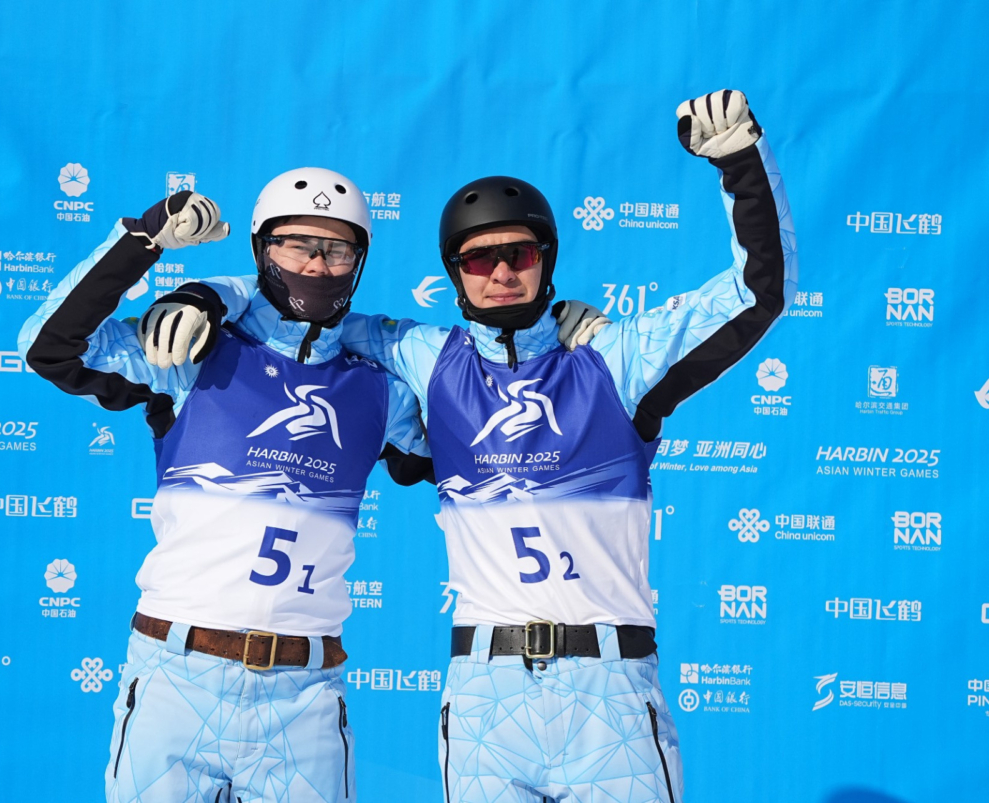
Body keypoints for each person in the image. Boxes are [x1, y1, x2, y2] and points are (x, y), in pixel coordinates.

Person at [148, 88, 796, 803]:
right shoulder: (427, 358)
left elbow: (757, 293)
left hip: (610, 691)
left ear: (547, 260)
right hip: (488, 698)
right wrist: (209, 294)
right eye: (478, 259)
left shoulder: (617, 359)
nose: (501, 272)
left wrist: (741, 162)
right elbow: (300, 302)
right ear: (455, 274)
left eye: (519, 253)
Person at [18, 167, 432, 803]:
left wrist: (557, 341)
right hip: (176, 677)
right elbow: (49, 348)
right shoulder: (193, 350)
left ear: (359, 260)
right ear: (262, 249)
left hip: (304, 696)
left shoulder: (381, 391)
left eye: (337, 249)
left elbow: (489, 448)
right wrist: (144, 240)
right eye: (297, 245)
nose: (316, 264)